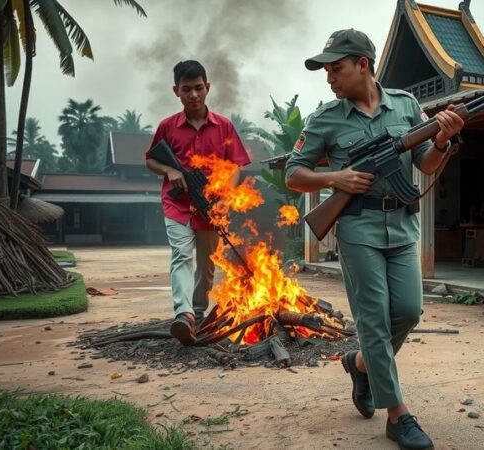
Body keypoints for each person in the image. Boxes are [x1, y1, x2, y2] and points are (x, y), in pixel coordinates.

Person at [285, 29, 464, 450]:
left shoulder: (405, 104)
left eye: (336, 68)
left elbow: (425, 162)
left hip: (401, 224)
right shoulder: (325, 118)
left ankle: (360, 364)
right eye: (326, 71)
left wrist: (442, 137)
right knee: (374, 322)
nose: (330, 78)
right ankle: (398, 416)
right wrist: (336, 177)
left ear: (362, 64)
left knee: (408, 310)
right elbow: (293, 173)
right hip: (357, 227)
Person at [145, 60, 251, 346]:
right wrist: (169, 171)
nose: (193, 95)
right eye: (186, 89)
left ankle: (198, 311)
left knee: (206, 265)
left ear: (208, 88)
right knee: (181, 254)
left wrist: (225, 199)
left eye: (198, 88)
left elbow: (235, 166)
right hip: (177, 205)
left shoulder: (224, 126)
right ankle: (183, 313)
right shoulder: (167, 126)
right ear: (176, 91)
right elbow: (151, 159)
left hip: (212, 207)